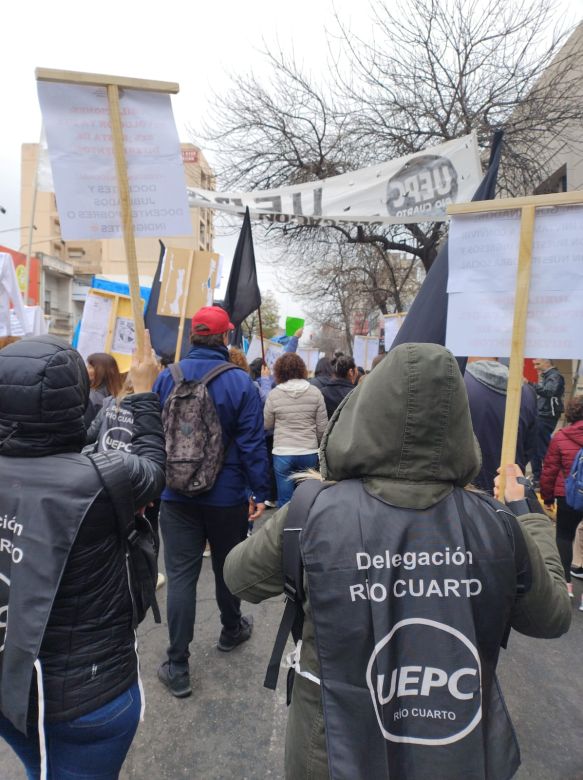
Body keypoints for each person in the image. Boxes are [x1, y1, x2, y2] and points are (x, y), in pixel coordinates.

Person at [224, 343, 570, 780]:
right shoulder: (497, 521)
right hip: (453, 748)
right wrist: (527, 516)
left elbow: (239, 578)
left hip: (330, 750)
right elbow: (552, 616)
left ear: (364, 409)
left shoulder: (312, 510)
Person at [0, 332, 165, 780]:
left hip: (11, 686)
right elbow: (153, 468)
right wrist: (145, 394)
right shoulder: (102, 478)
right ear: (76, 395)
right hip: (89, 700)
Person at [153, 305, 269, 699]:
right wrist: (260, 492)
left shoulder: (165, 378)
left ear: (193, 337)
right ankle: (231, 628)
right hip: (227, 495)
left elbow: (152, 437)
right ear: (224, 338)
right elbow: (253, 444)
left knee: (181, 577)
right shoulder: (241, 382)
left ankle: (178, 665)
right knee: (227, 566)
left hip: (175, 494)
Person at [264, 352, 328, 507]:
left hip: (282, 452)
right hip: (308, 451)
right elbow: (322, 428)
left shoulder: (274, 395)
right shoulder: (315, 393)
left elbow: (266, 424)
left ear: (279, 371)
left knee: (285, 501)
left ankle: (285, 529)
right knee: (307, 500)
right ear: (302, 370)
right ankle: (305, 530)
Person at [464, 357, 537, 492]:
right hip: (509, 489)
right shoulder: (527, 392)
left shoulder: (458, 383)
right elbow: (529, 447)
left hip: (467, 489)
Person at [540, 395, 583, 604]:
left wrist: (547, 496)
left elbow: (549, 470)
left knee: (564, 536)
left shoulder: (560, 436)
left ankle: (566, 585)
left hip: (567, 494)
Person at [531, 358, 565, 484]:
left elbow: (549, 391)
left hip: (547, 415)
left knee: (542, 448)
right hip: (543, 414)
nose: (535, 367)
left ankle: (546, 478)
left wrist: (530, 384)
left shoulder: (555, 376)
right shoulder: (547, 376)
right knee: (537, 447)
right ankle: (538, 477)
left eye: (538, 364)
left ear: (547, 363)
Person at [85, 352, 123, 425]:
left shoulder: (92, 397)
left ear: (100, 371)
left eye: (90, 367)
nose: (86, 370)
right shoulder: (121, 395)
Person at [318, 353, 358, 418]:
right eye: (356, 370)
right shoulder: (355, 394)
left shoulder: (321, 393)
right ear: (351, 372)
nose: (357, 373)